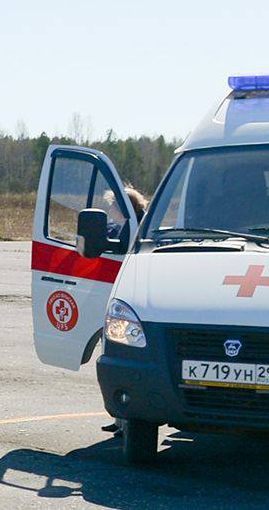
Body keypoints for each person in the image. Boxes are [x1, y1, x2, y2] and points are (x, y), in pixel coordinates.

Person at [102, 185, 148, 436]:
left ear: (124, 207)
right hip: (115, 297)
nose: (109, 210)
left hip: (131, 303)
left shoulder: (141, 227)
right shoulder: (117, 227)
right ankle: (119, 418)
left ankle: (128, 421)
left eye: (112, 205)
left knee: (127, 360)